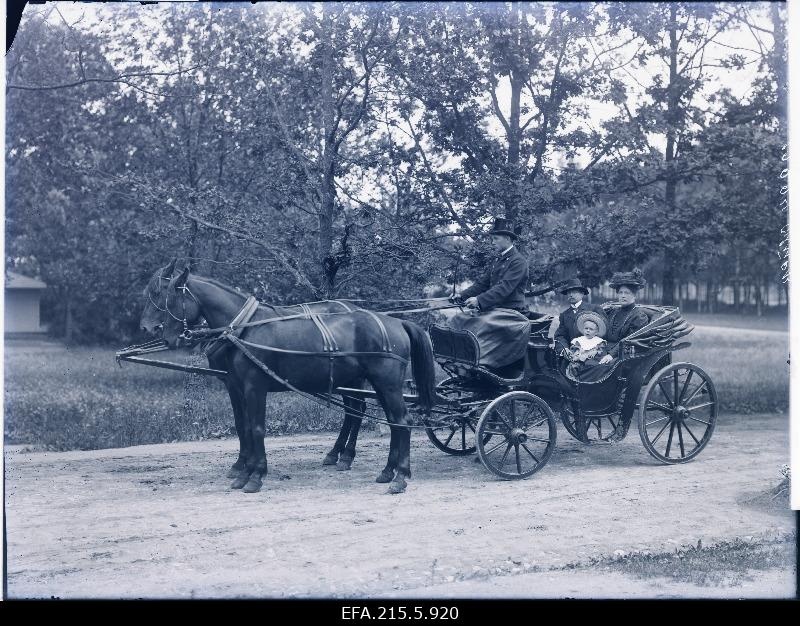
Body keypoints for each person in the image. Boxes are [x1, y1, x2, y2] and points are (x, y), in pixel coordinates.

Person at [448, 218, 530, 372]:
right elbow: (482, 284)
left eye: (495, 239)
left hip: (512, 312)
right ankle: (459, 360)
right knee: (459, 318)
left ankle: (480, 363)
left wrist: (479, 300)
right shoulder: (497, 261)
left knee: (481, 323)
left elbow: (504, 288)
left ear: (507, 239)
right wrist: (462, 296)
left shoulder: (519, 262)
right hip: (495, 309)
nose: (493, 242)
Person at [597, 269, 650, 365]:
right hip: (605, 348)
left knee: (598, 367)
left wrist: (611, 355)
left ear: (634, 295)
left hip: (624, 354)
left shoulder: (639, 317)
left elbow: (630, 341)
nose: (623, 296)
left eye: (627, 293)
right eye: (620, 292)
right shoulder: (613, 312)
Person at [552, 278, 605, 358]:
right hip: (571, 354)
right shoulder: (564, 315)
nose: (571, 295)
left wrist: (591, 350)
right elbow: (560, 336)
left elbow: (603, 331)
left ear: (582, 293)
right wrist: (565, 349)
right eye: (569, 292)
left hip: (593, 353)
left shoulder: (594, 309)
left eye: (574, 292)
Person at [566, 313, 611, 378]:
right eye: (586, 328)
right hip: (578, 360)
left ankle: (586, 378)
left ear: (596, 332)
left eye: (591, 329)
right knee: (572, 366)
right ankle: (574, 379)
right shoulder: (579, 340)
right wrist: (577, 354)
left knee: (594, 367)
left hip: (592, 362)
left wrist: (594, 352)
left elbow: (601, 353)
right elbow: (574, 349)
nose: (588, 331)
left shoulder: (598, 341)